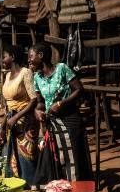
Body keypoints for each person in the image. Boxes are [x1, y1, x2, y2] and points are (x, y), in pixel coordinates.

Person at [28, 44, 93, 183]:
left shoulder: (62, 69)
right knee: (58, 160)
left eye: (31, 56)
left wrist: (61, 103)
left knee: (74, 158)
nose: (29, 60)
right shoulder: (37, 78)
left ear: (40, 55)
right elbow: (40, 102)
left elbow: (79, 89)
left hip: (70, 121)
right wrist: (37, 111)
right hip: (53, 124)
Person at [0, 45, 39, 187]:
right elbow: (8, 106)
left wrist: (16, 117)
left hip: (26, 123)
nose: (2, 59)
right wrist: (2, 126)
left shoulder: (26, 73)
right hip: (11, 123)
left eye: (4, 56)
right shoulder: (7, 76)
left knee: (27, 159)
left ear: (13, 57)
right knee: (13, 159)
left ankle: (32, 188)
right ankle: (19, 188)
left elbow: (34, 100)